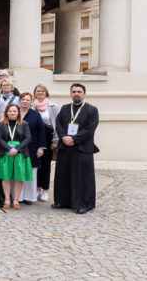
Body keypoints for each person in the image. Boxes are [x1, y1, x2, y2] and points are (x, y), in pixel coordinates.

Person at [51, 83, 99, 214]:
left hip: (82, 148)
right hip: (65, 147)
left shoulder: (92, 110)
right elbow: (58, 123)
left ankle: (84, 203)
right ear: (70, 94)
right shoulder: (65, 108)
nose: (76, 94)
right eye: (74, 91)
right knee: (63, 175)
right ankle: (62, 201)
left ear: (84, 94)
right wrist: (64, 137)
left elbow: (90, 128)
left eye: (79, 91)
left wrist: (74, 139)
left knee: (82, 177)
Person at [0, 102, 32, 210]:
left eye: (14, 111)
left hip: (20, 153)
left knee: (18, 177)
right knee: (6, 177)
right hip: (6, 153)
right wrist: (9, 148)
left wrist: (17, 149)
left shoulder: (24, 124)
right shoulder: (1, 125)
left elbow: (28, 138)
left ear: (18, 112)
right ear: (6, 112)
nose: (12, 113)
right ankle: (7, 199)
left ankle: (16, 200)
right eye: (10, 111)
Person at [17, 92, 47, 205]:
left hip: (33, 147)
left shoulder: (35, 114)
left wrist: (41, 147)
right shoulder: (14, 112)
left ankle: (28, 197)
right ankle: (18, 196)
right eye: (23, 99)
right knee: (18, 172)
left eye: (27, 100)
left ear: (31, 101)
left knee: (31, 172)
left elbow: (41, 131)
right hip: (17, 147)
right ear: (19, 101)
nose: (25, 101)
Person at [32, 84, 60, 202]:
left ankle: (45, 190)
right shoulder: (31, 106)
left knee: (46, 165)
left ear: (46, 93)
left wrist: (55, 140)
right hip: (35, 138)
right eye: (38, 91)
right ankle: (37, 189)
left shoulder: (53, 106)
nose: (40, 93)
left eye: (42, 91)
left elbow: (58, 124)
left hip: (48, 138)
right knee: (36, 164)